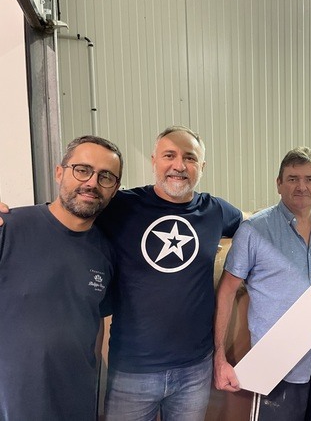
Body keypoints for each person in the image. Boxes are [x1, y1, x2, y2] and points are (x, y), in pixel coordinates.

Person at [96, 126, 243, 420]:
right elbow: (66, 215)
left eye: (189, 158)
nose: (179, 165)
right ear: (154, 160)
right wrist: (13, 219)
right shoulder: (121, 206)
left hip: (194, 371)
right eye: (169, 155)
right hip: (130, 372)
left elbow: (256, 224)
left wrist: (308, 210)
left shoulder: (216, 211)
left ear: (202, 167)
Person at [214, 147, 311, 421]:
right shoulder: (254, 231)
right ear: (279, 183)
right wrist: (218, 356)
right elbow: (227, 291)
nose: (302, 186)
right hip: (276, 368)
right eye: (292, 178)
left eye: (310, 179)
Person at [0, 136, 123, 420]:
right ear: (60, 172)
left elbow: (95, 324)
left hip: (76, 403)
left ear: (114, 189)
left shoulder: (105, 252)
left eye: (105, 177)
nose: (92, 182)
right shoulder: (10, 228)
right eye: (82, 169)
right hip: (12, 404)